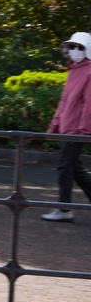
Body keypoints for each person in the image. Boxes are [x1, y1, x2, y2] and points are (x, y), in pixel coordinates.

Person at [42, 31, 91, 223]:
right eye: (71, 47)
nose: (73, 50)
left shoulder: (89, 71)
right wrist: (53, 126)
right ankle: (65, 209)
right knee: (75, 169)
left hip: (77, 130)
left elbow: (89, 103)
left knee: (64, 166)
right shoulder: (73, 70)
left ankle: (64, 210)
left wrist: (84, 131)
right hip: (69, 128)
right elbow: (64, 102)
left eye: (79, 47)